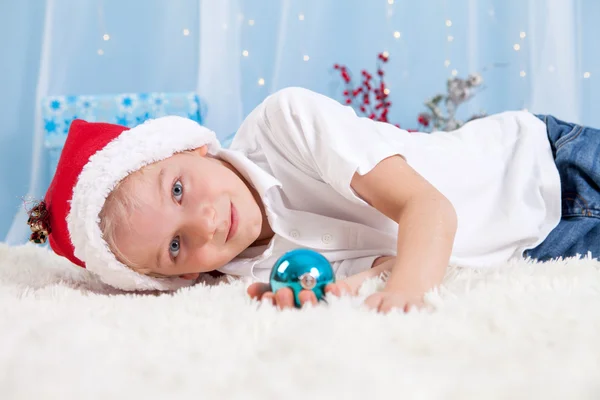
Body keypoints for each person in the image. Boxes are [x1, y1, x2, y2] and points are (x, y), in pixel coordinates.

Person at [28, 87, 598, 313]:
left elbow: (430, 211)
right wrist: (356, 286)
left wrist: (404, 294)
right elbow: (386, 256)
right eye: (176, 247)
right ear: (177, 280)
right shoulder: (250, 273)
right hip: (544, 243)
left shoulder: (287, 125)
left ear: (194, 146)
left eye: (179, 190)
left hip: (543, 165)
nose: (203, 223)